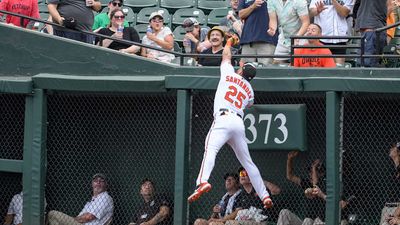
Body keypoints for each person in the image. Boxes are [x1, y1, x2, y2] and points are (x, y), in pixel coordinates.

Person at [187, 35, 273, 210]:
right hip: (238, 122)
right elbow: (250, 103)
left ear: (241, 71)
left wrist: (228, 43)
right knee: (248, 162)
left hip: (223, 118)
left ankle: (203, 181)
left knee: (210, 149)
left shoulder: (229, 73)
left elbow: (226, 56)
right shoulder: (249, 89)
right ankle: (264, 196)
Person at [47, 173, 114, 225]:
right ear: (92, 184)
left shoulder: (105, 197)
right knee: (54, 219)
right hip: (80, 223)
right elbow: (81, 217)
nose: (98, 182)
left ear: (106, 185)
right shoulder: (92, 200)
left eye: (101, 181)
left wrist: (71, 220)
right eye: (96, 181)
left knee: (53, 214)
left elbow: (88, 217)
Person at [309, 0, 355, 65]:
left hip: (339, 38)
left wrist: (334, 1)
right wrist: (317, 10)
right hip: (322, 37)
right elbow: (310, 12)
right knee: (321, 66)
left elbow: (344, 13)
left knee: (339, 67)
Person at [267, 0, 310, 64]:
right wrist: (272, 29)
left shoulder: (300, 1)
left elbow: (306, 22)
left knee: (300, 64)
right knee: (277, 64)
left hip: (301, 37)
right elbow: (273, 19)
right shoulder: (271, 1)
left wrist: (297, 37)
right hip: (283, 37)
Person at [238, 0, 277, 66]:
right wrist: (252, 6)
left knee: (266, 68)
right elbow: (241, 15)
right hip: (248, 40)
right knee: (245, 69)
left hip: (267, 39)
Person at [354, 0, 389, 67]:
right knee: (364, 64)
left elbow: (390, 5)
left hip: (372, 29)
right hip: (370, 29)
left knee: (367, 64)